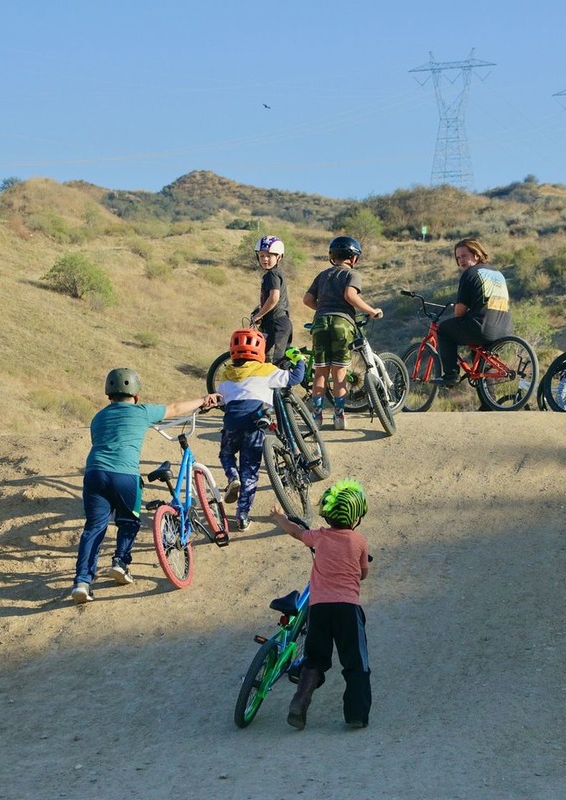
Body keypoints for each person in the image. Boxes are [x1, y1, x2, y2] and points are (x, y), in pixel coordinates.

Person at [70, 368, 218, 604]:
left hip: (94, 473)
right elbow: (176, 409)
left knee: (94, 527)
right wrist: (203, 400)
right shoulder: (142, 412)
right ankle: (120, 562)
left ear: (108, 394)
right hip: (124, 474)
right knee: (129, 521)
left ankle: (82, 582)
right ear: (136, 395)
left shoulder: (98, 418)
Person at [270, 478, 371, 730]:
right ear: (356, 517)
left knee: (314, 660)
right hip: (348, 609)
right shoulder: (358, 541)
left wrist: (280, 516)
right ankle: (356, 715)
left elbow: (295, 531)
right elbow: (362, 573)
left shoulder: (319, 537)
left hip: (319, 609)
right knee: (355, 662)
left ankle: (299, 702)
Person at [216, 328, 306, 532]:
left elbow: (221, 400)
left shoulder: (226, 374)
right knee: (250, 471)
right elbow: (295, 379)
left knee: (226, 454)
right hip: (255, 425)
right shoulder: (267, 370)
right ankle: (242, 516)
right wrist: (299, 360)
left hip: (231, 424)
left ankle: (232, 476)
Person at [303, 235, 383, 430]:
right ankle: (339, 417)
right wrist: (371, 311)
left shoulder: (322, 275)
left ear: (333, 257)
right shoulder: (352, 275)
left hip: (320, 322)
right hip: (342, 323)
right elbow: (350, 295)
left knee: (320, 372)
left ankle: (316, 417)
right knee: (339, 372)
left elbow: (307, 299)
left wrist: (323, 309)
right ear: (353, 258)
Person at [432, 238, 513, 387]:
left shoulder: (470, 274)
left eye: (464, 256)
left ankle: (451, 375)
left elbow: (459, 312)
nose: (460, 260)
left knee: (443, 329)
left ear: (476, 255)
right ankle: (488, 403)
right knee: (481, 362)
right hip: (505, 330)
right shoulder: (497, 274)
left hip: (482, 328)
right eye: (458, 258)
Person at [250, 235, 294, 363]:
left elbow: (274, 298)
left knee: (274, 364)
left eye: (269, 256)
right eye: (262, 255)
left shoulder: (272, 274)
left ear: (279, 257)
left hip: (277, 324)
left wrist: (258, 315)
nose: (265, 259)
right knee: (270, 361)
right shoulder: (274, 274)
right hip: (278, 323)